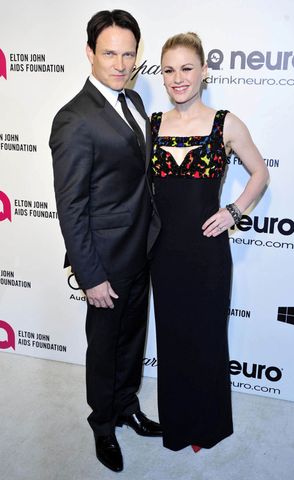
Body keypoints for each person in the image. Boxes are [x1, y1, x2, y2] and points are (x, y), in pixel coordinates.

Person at [49, 10, 162, 473]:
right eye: (110, 53)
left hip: (141, 248)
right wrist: (90, 274)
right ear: (90, 52)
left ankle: (126, 405)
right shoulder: (74, 119)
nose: (120, 63)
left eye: (128, 53)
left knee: (133, 339)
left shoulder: (132, 99)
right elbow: (71, 205)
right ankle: (102, 423)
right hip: (105, 262)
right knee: (105, 347)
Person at [150, 32, 269, 452]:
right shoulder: (152, 125)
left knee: (206, 338)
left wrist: (234, 212)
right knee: (173, 337)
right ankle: (179, 424)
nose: (178, 78)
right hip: (162, 254)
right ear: (161, 76)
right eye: (169, 70)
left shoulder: (226, 122)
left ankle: (208, 424)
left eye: (186, 68)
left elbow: (260, 174)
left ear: (204, 71)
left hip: (208, 253)